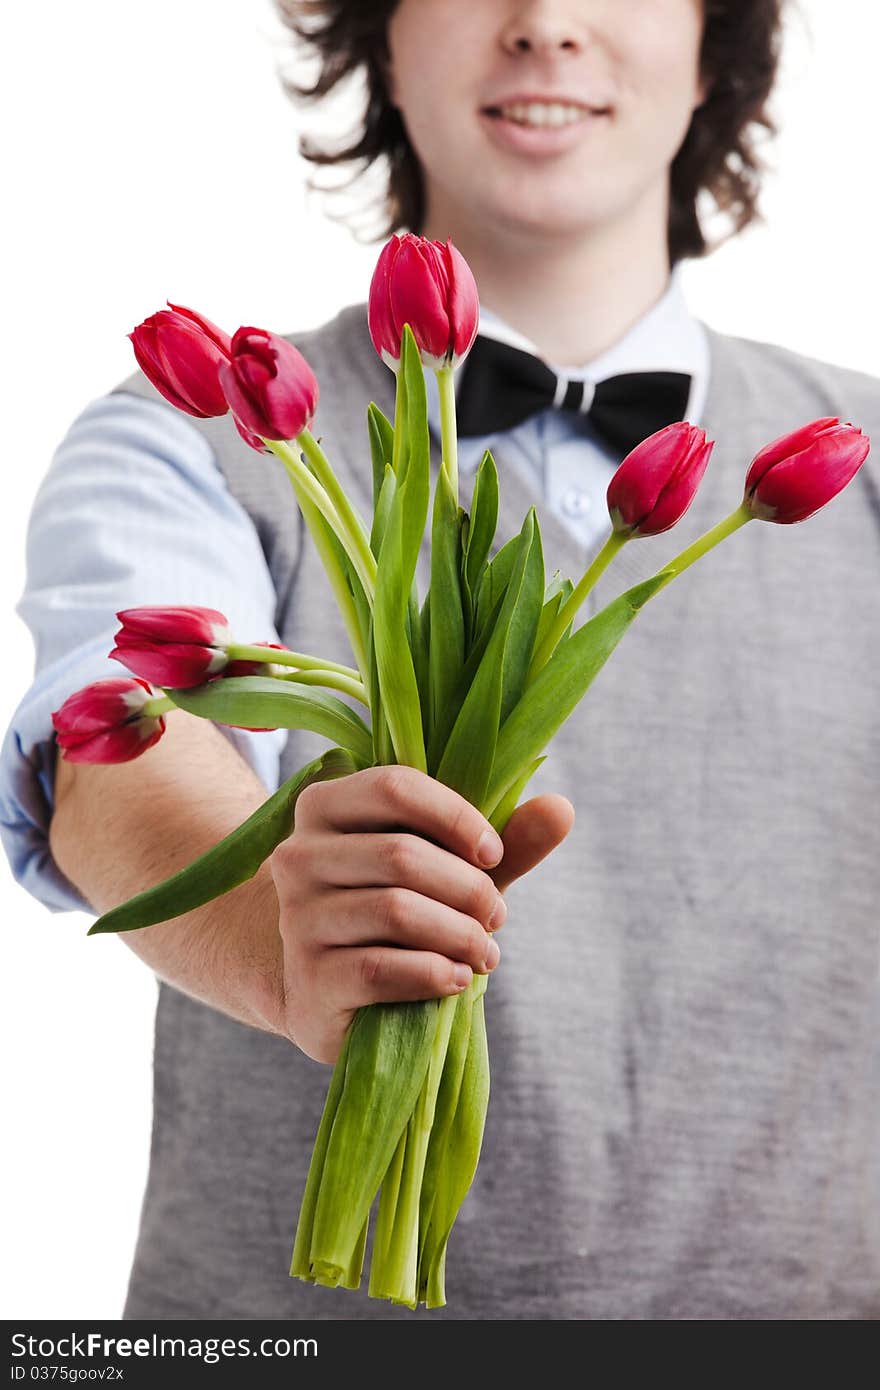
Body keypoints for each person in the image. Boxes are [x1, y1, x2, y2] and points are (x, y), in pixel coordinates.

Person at [3, 0, 879, 1319]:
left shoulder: (863, 463)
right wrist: (270, 939)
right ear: (382, 40)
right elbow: (117, 741)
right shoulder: (195, 437)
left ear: (717, 44)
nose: (544, 25)